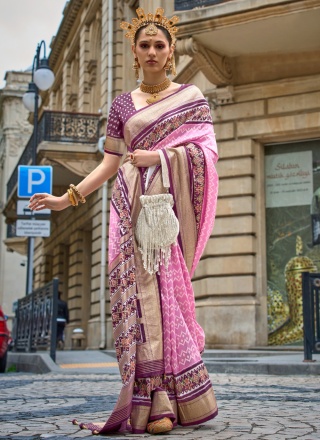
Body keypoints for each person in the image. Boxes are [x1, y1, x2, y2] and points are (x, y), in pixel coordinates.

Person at [29, 7, 219, 436]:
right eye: (145, 45)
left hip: (163, 217)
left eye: (159, 45)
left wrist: (162, 157)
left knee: (166, 299)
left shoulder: (191, 98)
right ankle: (153, 399)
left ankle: (174, 397)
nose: (152, 51)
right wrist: (67, 197)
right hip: (127, 213)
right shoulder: (121, 105)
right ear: (134, 52)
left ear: (170, 52)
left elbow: (206, 154)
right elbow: (110, 163)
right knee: (138, 301)